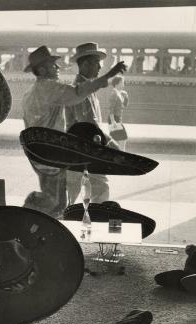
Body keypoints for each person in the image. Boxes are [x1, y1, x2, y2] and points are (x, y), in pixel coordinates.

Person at [21, 45, 126, 218]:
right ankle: (26, 218)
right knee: (56, 201)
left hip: (42, 155)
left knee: (58, 199)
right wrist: (108, 75)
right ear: (41, 69)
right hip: (52, 156)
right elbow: (77, 94)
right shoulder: (49, 88)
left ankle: (32, 219)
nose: (58, 68)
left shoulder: (30, 93)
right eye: (53, 65)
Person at [65, 42, 124, 205]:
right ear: (84, 64)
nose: (99, 67)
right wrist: (112, 145)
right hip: (84, 149)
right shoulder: (80, 89)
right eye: (96, 63)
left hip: (85, 148)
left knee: (75, 191)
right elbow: (89, 125)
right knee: (97, 188)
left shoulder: (85, 88)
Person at [107, 75, 129, 150]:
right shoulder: (114, 94)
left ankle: (119, 156)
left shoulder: (119, 93)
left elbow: (124, 105)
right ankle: (122, 156)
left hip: (117, 119)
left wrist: (126, 96)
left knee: (116, 140)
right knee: (123, 138)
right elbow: (111, 109)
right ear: (117, 84)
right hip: (114, 119)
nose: (123, 84)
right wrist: (113, 121)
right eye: (122, 83)